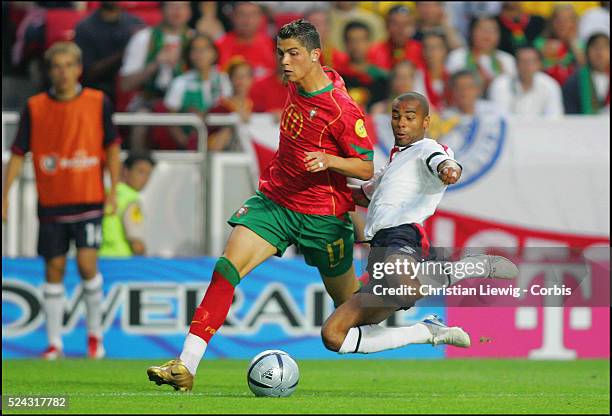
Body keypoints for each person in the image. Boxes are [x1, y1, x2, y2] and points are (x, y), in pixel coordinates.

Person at [146, 19, 374, 391]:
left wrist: (330, 160)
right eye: (281, 53)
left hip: (322, 216)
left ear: (315, 55)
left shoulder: (342, 110)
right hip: (276, 202)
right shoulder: (296, 82)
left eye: (293, 54)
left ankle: (422, 330)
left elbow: (366, 166)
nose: (284, 61)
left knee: (352, 310)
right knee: (225, 269)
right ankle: (185, 366)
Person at [319, 92, 518, 355]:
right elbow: (364, 195)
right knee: (333, 336)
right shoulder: (395, 162)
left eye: (410, 117)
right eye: (396, 116)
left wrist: (449, 170)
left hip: (402, 236)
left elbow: (443, 161)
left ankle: (464, 269)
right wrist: (322, 184)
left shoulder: (427, 149)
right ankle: (426, 331)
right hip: (378, 248)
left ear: (425, 122)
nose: (401, 123)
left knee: (405, 289)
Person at [1, 41, 121, 359]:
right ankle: (54, 343)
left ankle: (95, 338)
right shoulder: (35, 106)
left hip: (88, 198)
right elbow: (16, 154)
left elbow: (112, 148)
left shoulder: (98, 102)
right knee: (53, 269)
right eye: (57, 66)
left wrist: (112, 190)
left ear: (79, 69)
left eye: (69, 65)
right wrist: (5, 196)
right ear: (49, 70)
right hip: (52, 201)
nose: (63, 72)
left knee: (86, 264)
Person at [118, 1, 193, 150]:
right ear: (162, 10)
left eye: (182, 6)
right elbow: (125, 84)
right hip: (150, 99)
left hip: (186, 103)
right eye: (172, 6)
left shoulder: (196, 40)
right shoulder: (144, 38)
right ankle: (139, 165)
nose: (177, 11)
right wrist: (155, 65)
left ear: (190, 12)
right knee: (141, 119)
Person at [163, 33, 232, 150]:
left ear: (214, 53)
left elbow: (228, 108)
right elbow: (170, 120)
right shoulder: (180, 82)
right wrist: (186, 143)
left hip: (219, 139)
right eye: (195, 50)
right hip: (190, 142)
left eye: (205, 49)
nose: (200, 54)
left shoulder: (223, 79)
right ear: (189, 55)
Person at [74, 1, 144, 105]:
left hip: (132, 87)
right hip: (98, 89)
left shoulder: (135, 23)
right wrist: (124, 53)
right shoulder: (85, 27)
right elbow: (88, 72)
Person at [99, 152, 156, 257]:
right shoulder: (131, 200)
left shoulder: (106, 194)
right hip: (121, 261)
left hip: (98, 258)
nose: (145, 179)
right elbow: (136, 243)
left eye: (148, 174)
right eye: (141, 172)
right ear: (125, 171)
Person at [446, 16, 517, 95]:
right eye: (482, 29)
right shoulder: (457, 56)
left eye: (492, 30)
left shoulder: (506, 59)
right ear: (471, 32)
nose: (487, 34)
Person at [489, 46, 564, 117]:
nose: (527, 66)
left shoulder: (550, 85)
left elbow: (555, 117)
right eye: (523, 61)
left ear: (539, 64)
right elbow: (500, 117)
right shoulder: (501, 84)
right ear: (516, 64)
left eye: (531, 62)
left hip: (541, 130)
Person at [214, 2, 276, 81]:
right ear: (233, 18)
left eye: (252, 15)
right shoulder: (219, 45)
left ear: (261, 19)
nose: (247, 20)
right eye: (241, 15)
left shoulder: (273, 46)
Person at [336, 20, 388, 110]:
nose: (356, 45)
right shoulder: (337, 78)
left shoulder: (381, 78)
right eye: (352, 40)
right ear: (345, 43)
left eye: (361, 40)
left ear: (369, 42)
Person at [534, 4, 585, 86]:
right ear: (551, 23)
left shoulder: (581, 45)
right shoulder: (540, 43)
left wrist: (573, 45)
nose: (562, 24)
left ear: (574, 23)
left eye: (567, 20)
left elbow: (587, 70)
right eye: (558, 20)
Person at [562, 32, 610, 114]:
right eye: (595, 48)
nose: (599, 53)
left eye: (604, 47)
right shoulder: (574, 82)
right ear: (587, 52)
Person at [367, 5, 424, 71]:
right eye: (395, 24)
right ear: (386, 26)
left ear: (413, 27)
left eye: (406, 24)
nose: (401, 29)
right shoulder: (374, 52)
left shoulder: (421, 51)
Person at [413, 31, 451, 112]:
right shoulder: (415, 77)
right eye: (428, 48)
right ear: (423, 52)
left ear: (445, 51)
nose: (432, 52)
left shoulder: (452, 79)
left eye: (436, 47)